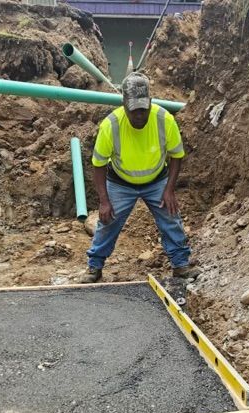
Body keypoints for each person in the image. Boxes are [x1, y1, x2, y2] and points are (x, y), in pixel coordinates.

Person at [80, 72, 200, 283]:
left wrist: (169, 189)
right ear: (124, 105)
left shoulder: (164, 120)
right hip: (120, 181)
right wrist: (104, 201)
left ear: (151, 103)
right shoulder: (111, 125)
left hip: (157, 180)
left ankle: (181, 265)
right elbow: (98, 166)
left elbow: (177, 156)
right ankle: (94, 267)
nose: (139, 115)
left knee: (170, 218)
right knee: (108, 222)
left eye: (143, 110)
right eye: (134, 110)